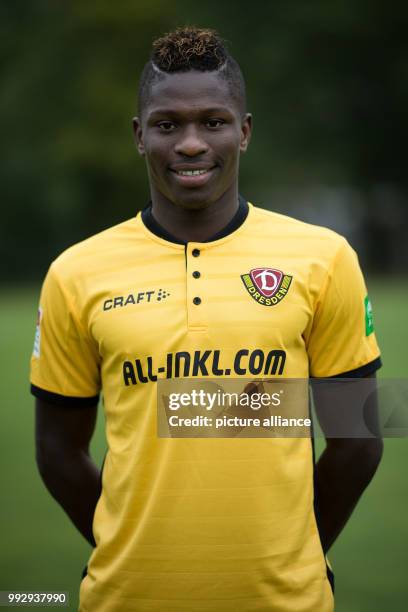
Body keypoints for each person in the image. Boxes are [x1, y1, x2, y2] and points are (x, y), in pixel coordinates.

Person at [31, 26, 383, 612]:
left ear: (243, 132)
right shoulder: (76, 272)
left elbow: (359, 439)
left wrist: (299, 551)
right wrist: (125, 546)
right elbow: (57, 451)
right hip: (127, 599)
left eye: (213, 122)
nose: (191, 143)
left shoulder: (324, 257)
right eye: (168, 125)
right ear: (139, 137)